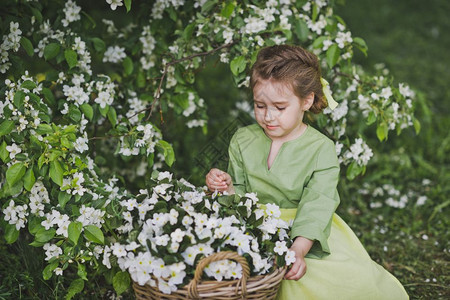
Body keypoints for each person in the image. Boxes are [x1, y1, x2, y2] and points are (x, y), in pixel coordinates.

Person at [205, 45, 409, 299]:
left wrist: (298, 250)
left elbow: (317, 203)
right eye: (259, 105)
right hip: (254, 228)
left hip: (303, 232)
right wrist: (226, 187)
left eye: (280, 108)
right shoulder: (243, 139)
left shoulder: (321, 148)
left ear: (307, 100)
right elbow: (240, 194)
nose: (268, 116)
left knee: (345, 283)